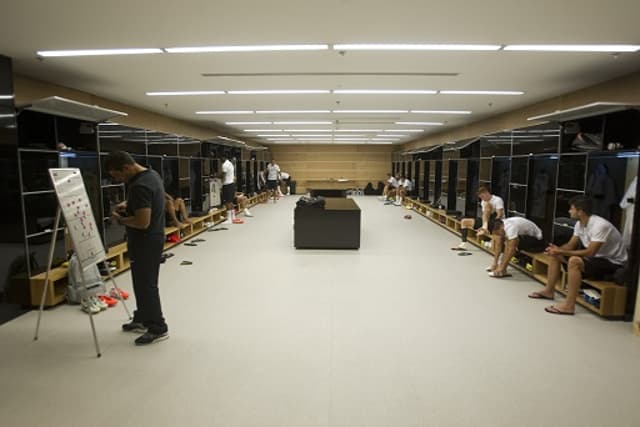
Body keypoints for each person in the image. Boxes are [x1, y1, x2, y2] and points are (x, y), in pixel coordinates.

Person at [105, 151, 169, 345]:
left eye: (117, 175)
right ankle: (142, 317)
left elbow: (142, 222)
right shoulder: (151, 174)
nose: (117, 179)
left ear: (126, 168)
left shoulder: (139, 186)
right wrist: (129, 204)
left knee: (146, 285)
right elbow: (148, 202)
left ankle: (158, 327)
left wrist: (120, 219)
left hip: (146, 240)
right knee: (140, 282)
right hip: (153, 237)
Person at [528, 196, 627, 315]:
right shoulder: (579, 224)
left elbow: (591, 252)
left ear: (580, 211)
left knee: (574, 261)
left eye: (572, 208)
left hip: (613, 263)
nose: (569, 211)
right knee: (555, 255)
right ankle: (549, 291)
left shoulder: (600, 225)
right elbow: (570, 245)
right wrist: (556, 250)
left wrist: (562, 252)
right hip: (596, 259)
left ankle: (569, 306)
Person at [455, 186, 504, 250]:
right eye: (480, 198)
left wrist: (492, 227)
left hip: (498, 223)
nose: (482, 199)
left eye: (482, 197)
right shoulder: (483, 201)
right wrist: (483, 226)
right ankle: (463, 243)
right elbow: (484, 215)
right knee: (464, 221)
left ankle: (484, 228)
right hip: (487, 223)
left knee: (487, 205)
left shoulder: (497, 200)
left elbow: (499, 215)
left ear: (487, 193)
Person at [221, 154, 236, 224]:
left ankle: (229, 219)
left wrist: (221, 184)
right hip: (232, 184)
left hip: (227, 185)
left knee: (227, 202)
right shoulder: (230, 164)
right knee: (231, 201)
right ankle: (233, 217)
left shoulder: (224, 165)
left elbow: (223, 176)